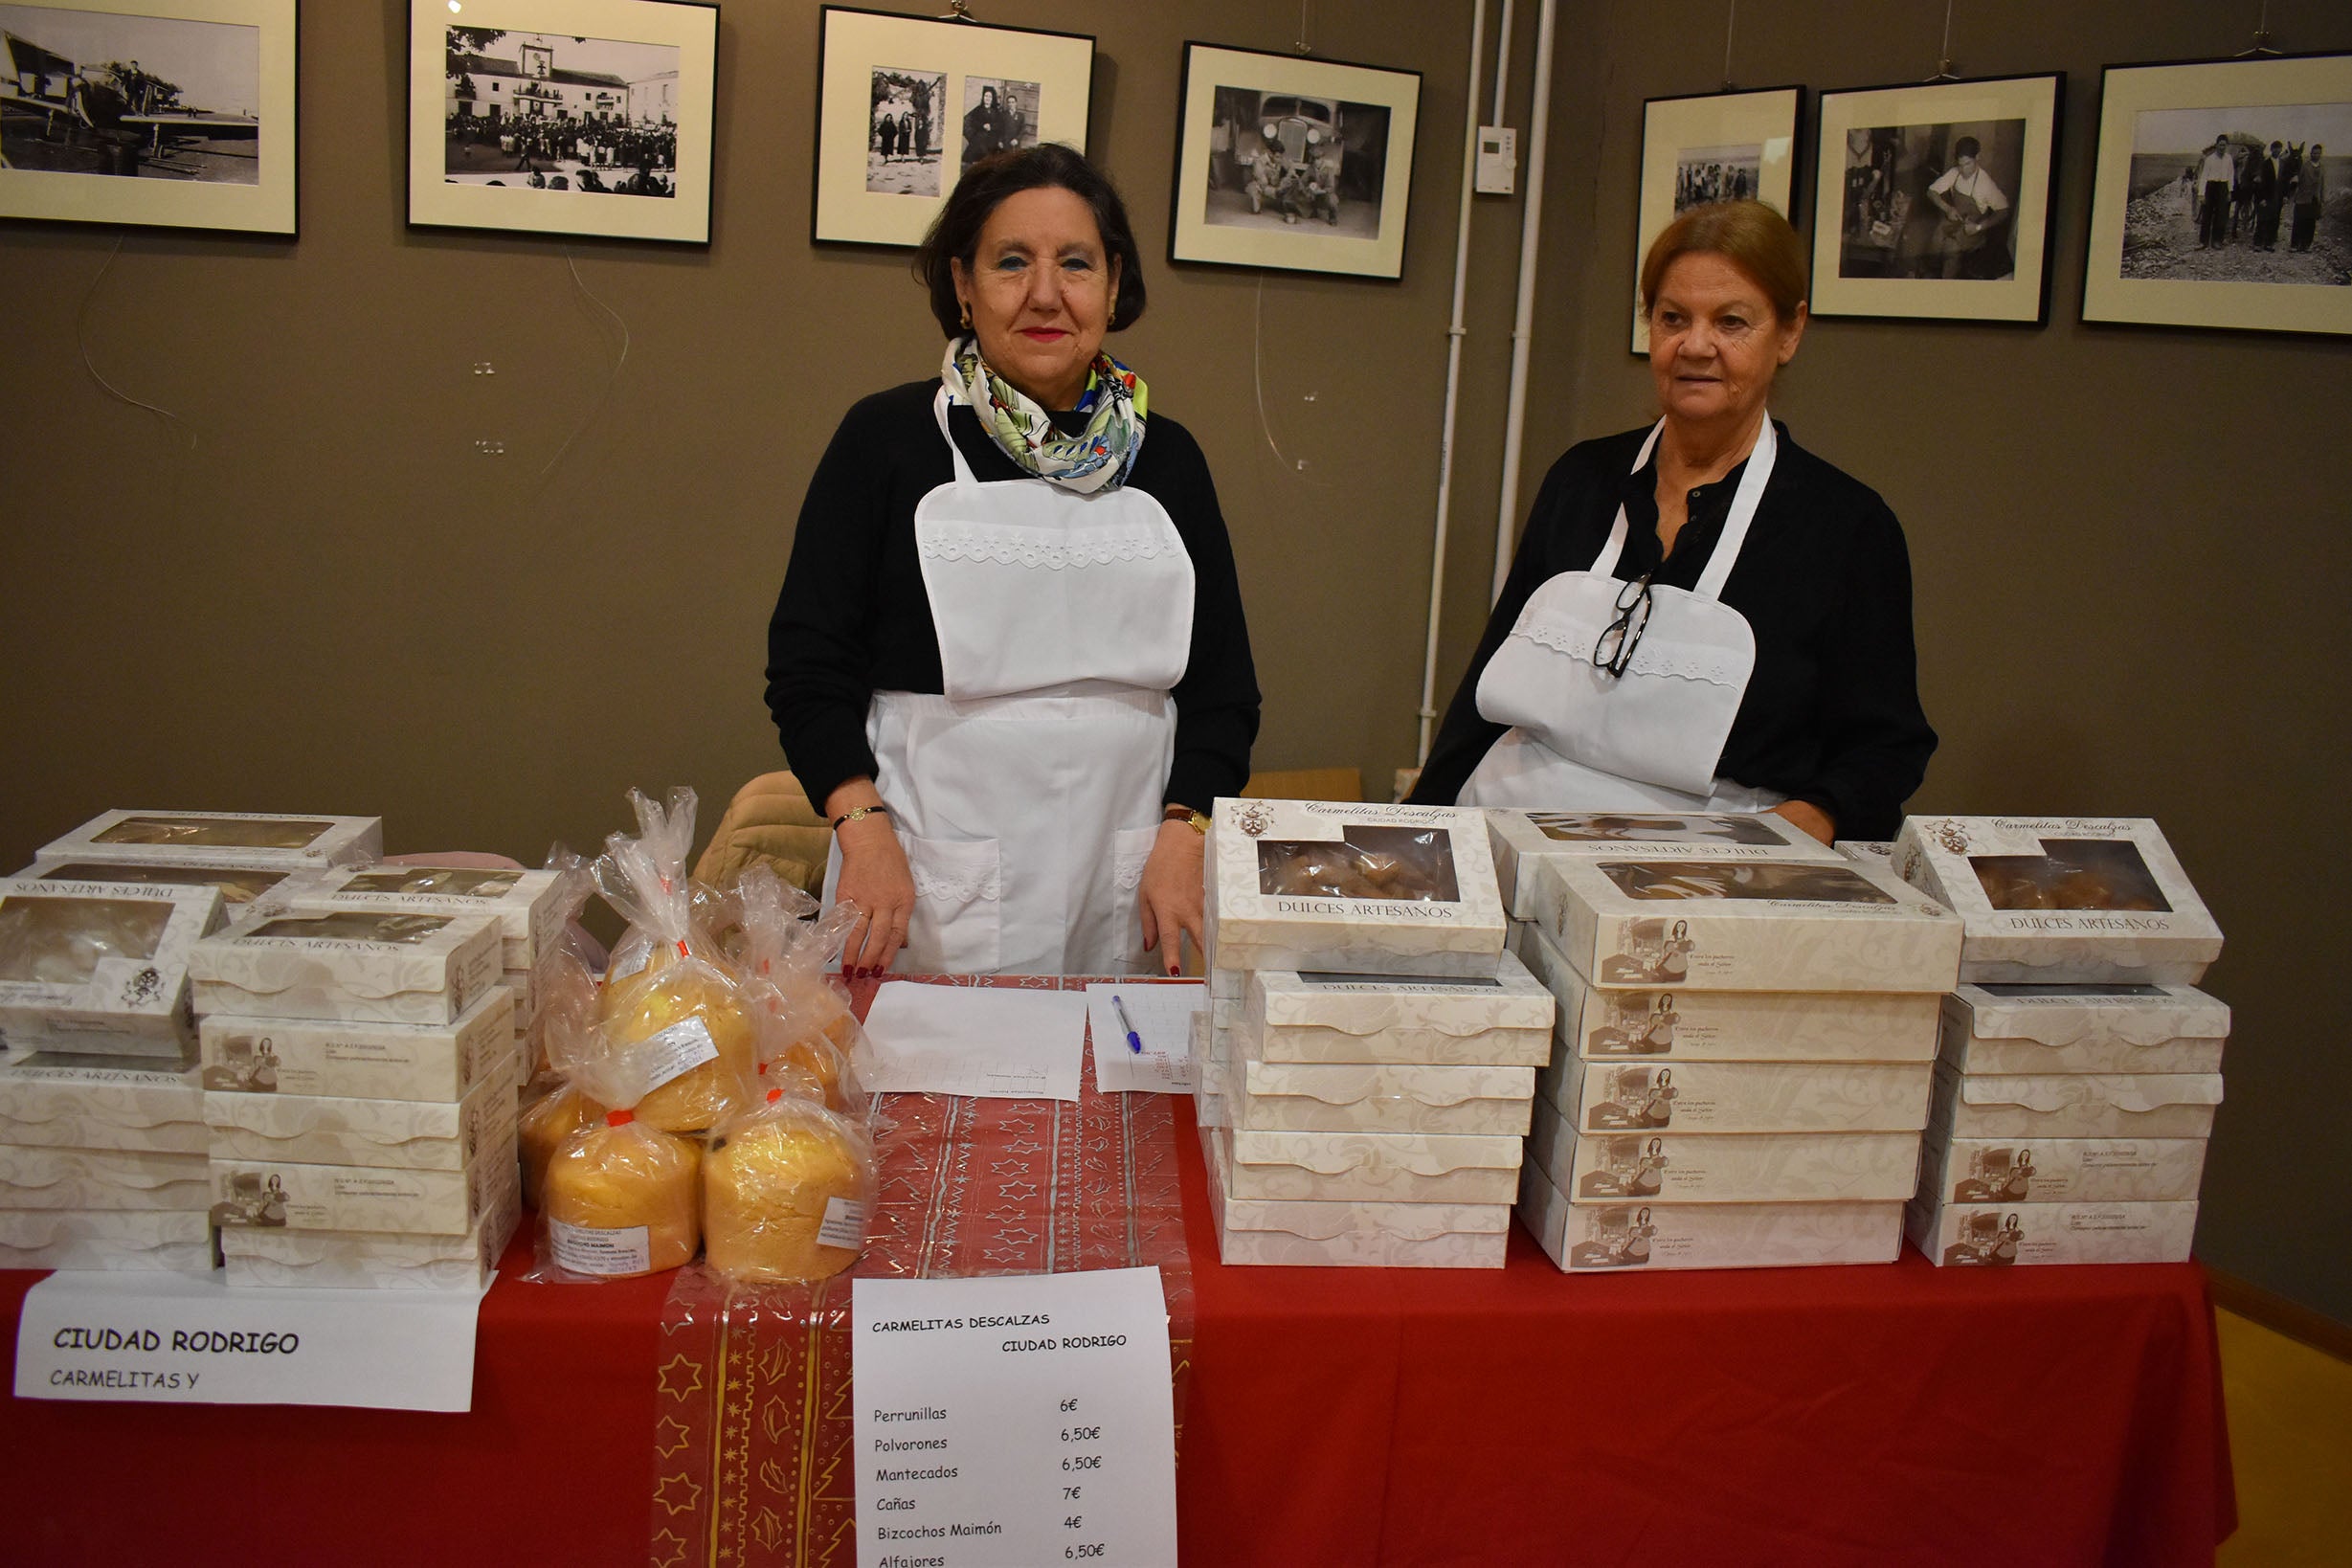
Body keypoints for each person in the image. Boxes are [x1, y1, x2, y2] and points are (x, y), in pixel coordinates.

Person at [767, 145, 1260, 979]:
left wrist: (1187, 829)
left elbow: (1222, 690)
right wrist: (860, 824)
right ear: (962, 284)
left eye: (1075, 263)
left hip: (1132, 871)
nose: (1044, 294)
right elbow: (809, 667)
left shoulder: (1168, 458)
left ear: (1111, 284)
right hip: (925, 870)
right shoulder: (887, 440)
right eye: (1010, 263)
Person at [1411, 200, 1936, 844]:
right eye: (1672, 318)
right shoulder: (1583, 479)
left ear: (1789, 332)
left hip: (1703, 870)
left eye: (1731, 322)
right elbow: (1483, 691)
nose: (1695, 345)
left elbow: (1883, 747)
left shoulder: (1843, 525)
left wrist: (1806, 825)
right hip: (1508, 829)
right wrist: (1416, 831)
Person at [1926, 136, 2010, 278]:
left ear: (1978, 157)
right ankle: (1929, 274)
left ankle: (1944, 284)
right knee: (1936, 238)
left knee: (1950, 249)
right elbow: (1931, 191)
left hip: (1973, 228)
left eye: (1968, 164)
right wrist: (1947, 208)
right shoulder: (1955, 173)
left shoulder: (1985, 184)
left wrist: (1978, 227)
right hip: (1956, 218)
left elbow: (2004, 211)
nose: (1964, 170)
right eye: (1960, 164)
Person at [2198, 137, 2236, 250]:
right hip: (2211, 187)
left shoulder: (2228, 159)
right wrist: (2202, 193)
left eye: (2224, 145)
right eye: (2220, 145)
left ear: (2226, 146)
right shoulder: (2209, 159)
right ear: (2216, 145)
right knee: (2207, 215)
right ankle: (2203, 242)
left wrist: (2230, 191)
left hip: (2223, 187)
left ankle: (2217, 241)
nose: (2222, 148)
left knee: (2221, 216)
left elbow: (2230, 175)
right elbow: (2204, 176)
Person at [961, 85, 1006, 171]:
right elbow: (972, 122)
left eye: (989, 96)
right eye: (986, 96)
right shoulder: (978, 110)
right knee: (975, 164)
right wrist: (982, 125)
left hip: (992, 140)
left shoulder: (996, 111)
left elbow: (1000, 124)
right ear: (983, 97)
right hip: (979, 139)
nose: (987, 98)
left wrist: (991, 126)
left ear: (992, 98)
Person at [2291, 144, 2324, 252]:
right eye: (2314, 153)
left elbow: (2322, 184)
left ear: (2320, 154)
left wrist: (2322, 199)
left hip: (2314, 199)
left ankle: (2306, 245)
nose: (2316, 155)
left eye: (2318, 153)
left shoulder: (2322, 167)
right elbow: (2297, 180)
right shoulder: (2304, 166)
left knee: (2311, 224)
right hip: (2302, 198)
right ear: (2310, 154)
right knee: (2299, 222)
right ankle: (2295, 245)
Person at [2252, 141, 2284, 252]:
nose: (2277, 150)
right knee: (2262, 220)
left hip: (2277, 197)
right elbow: (2259, 183)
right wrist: (2261, 198)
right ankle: (2258, 243)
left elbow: (2284, 182)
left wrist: (2284, 196)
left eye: (2279, 148)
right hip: (2266, 197)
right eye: (2275, 148)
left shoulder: (2283, 164)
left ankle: (2269, 243)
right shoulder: (2265, 164)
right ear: (2271, 150)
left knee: (2274, 220)